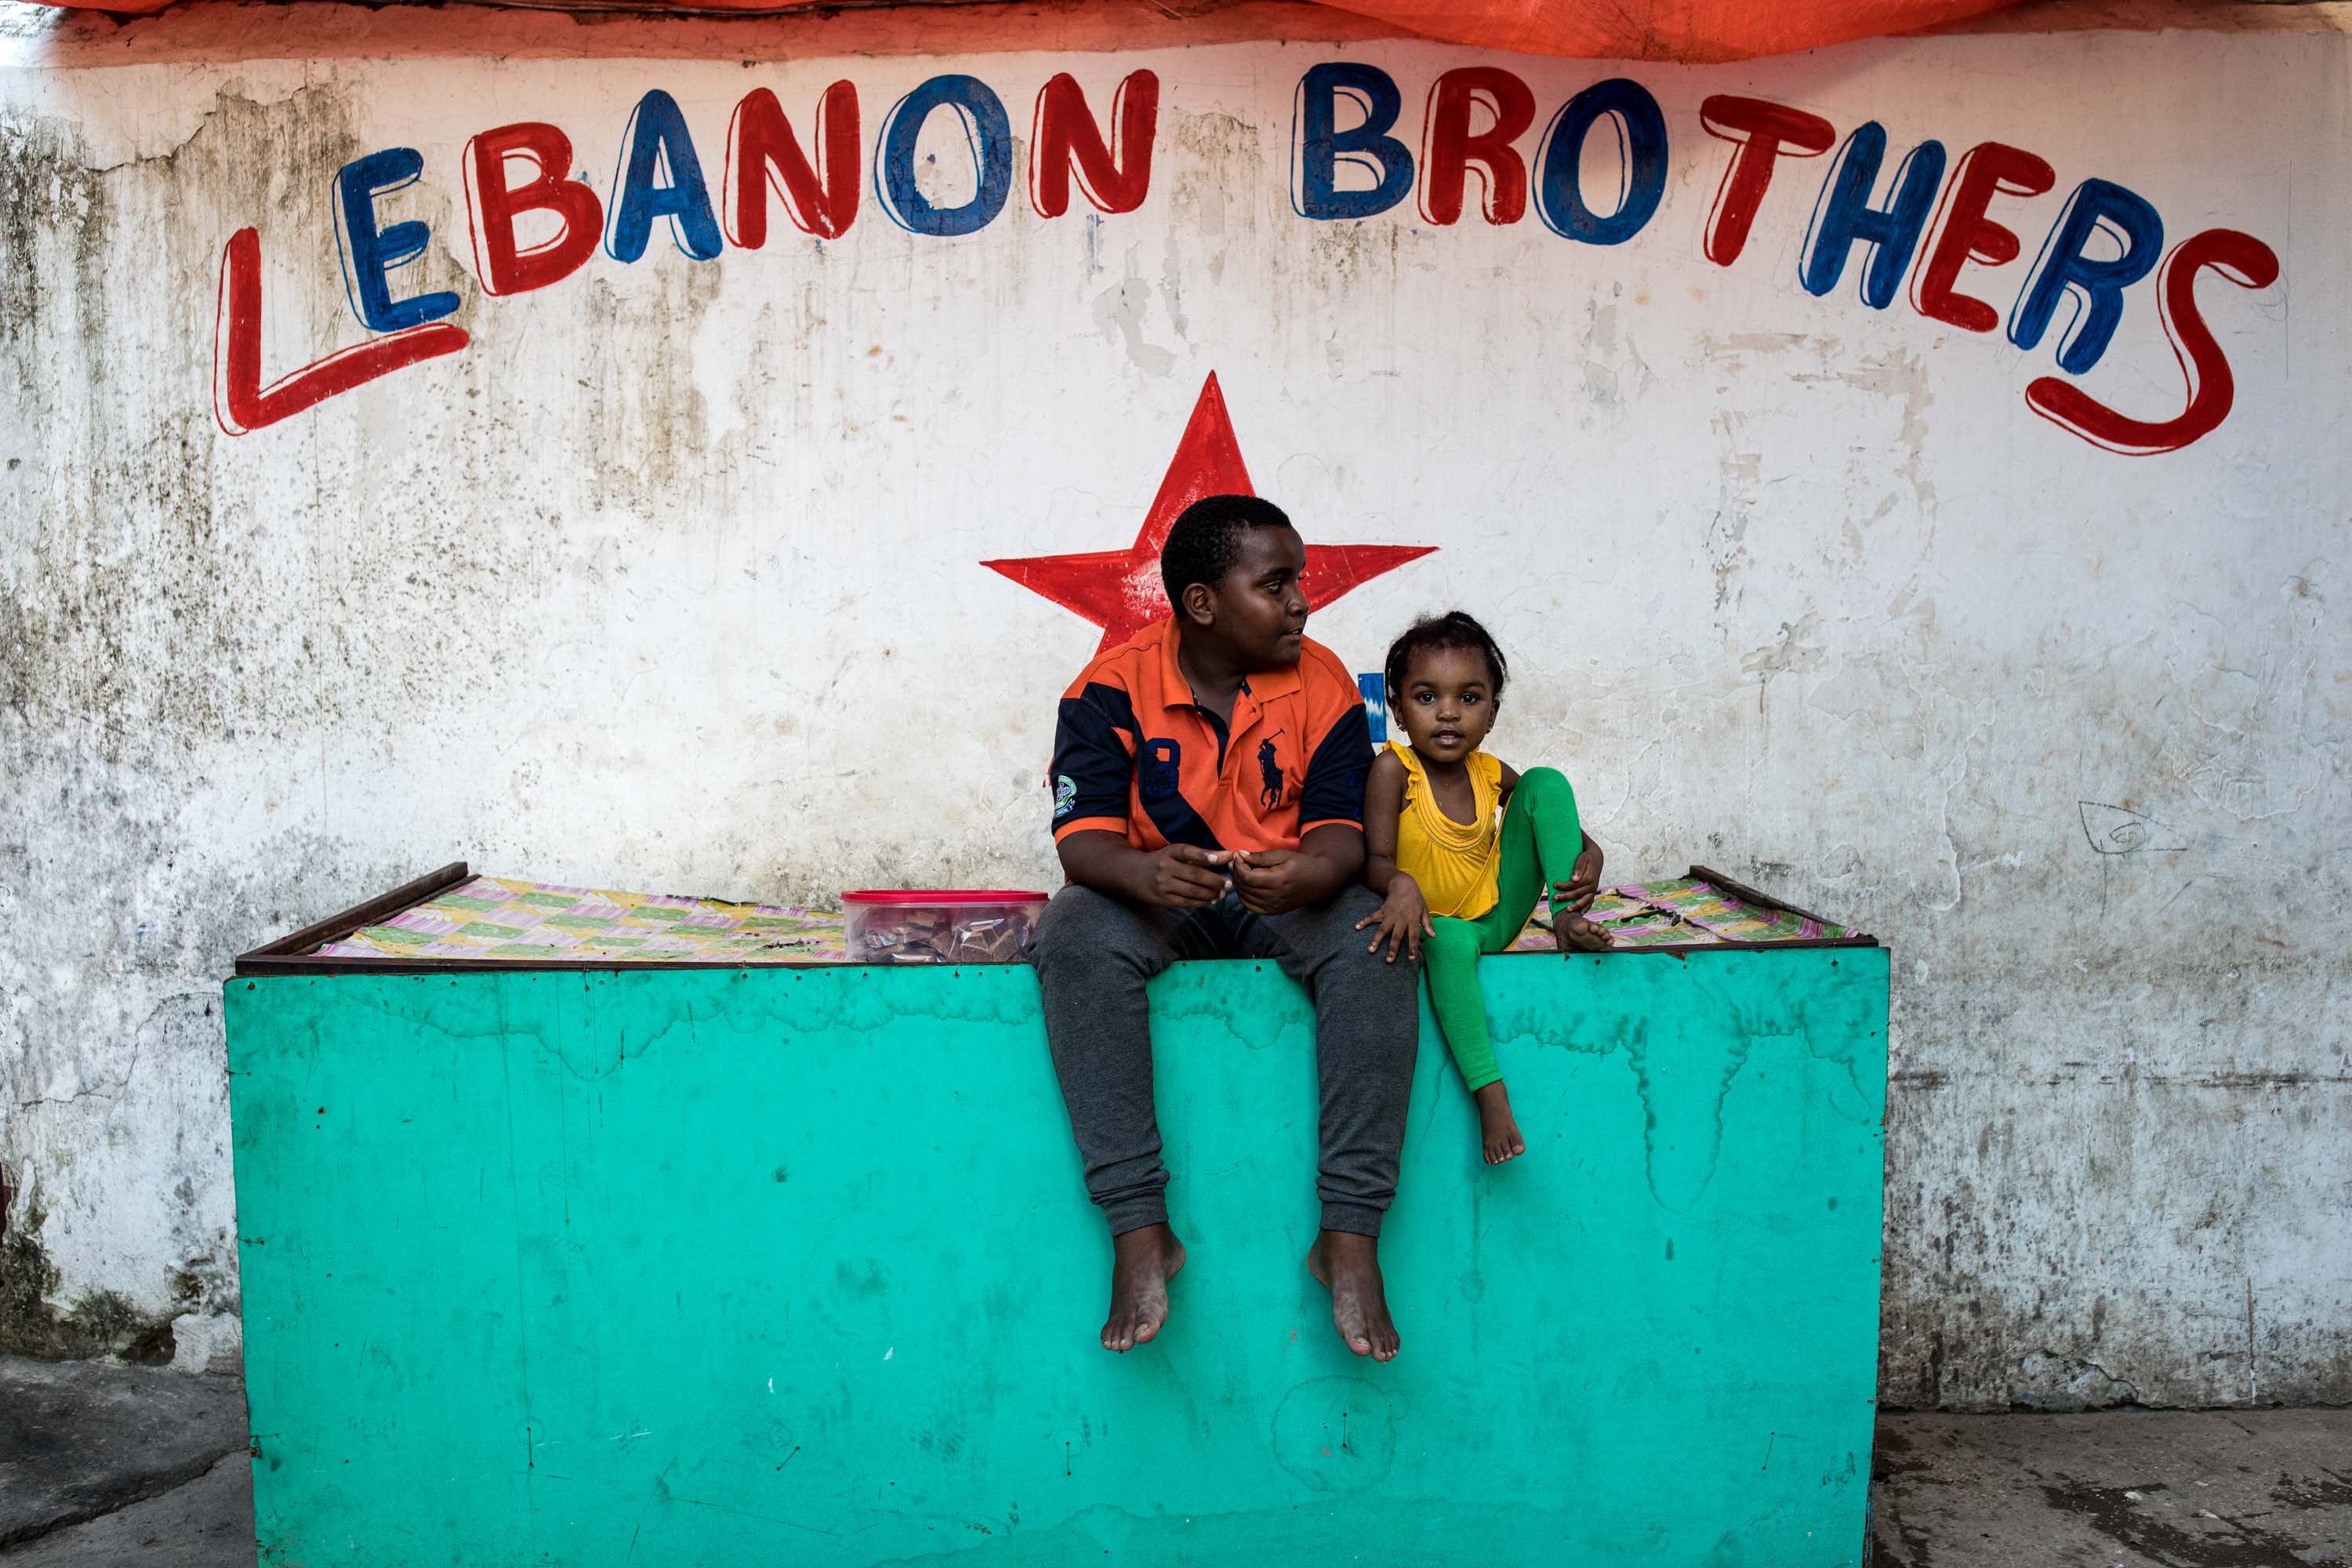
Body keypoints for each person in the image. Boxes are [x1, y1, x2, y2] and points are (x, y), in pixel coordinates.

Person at [1033, 494, 1421, 1362]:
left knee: (1376, 932)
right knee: (1070, 933)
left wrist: (1312, 874)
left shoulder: (1320, 681)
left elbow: (1339, 834)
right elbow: (1082, 837)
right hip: (1156, 899)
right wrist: (1142, 873)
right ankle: (1140, 1229)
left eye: (1301, 581)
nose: (1300, 601)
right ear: (1203, 603)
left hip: (1290, 900)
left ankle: (1349, 1235)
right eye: (1274, 583)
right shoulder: (1106, 689)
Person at [1356, 612, 1613, 1165]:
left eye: (1470, 699)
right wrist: (1399, 883)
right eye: (1427, 698)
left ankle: (1565, 919)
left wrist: (1590, 851)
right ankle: (1490, 1094)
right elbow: (1373, 861)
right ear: (1398, 710)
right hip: (1432, 929)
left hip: (1495, 916)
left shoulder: (1490, 771)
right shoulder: (1394, 770)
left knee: (1547, 780)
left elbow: (1546, 811)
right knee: (1447, 939)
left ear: (1492, 713)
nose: (1448, 712)